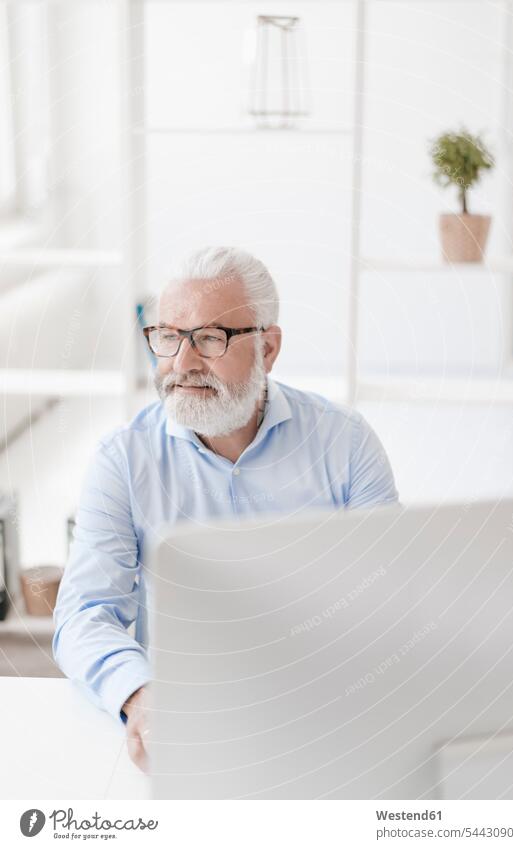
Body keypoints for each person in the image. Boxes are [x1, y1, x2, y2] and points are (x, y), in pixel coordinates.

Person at [53, 246, 398, 773]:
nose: (182, 363)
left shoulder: (346, 444)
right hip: (190, 727)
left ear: (269, 346)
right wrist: (141, 695)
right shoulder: (122, 460)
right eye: (167, 337)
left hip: (324, 716)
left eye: (211, 338)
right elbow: (83, 615)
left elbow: (390, 593)